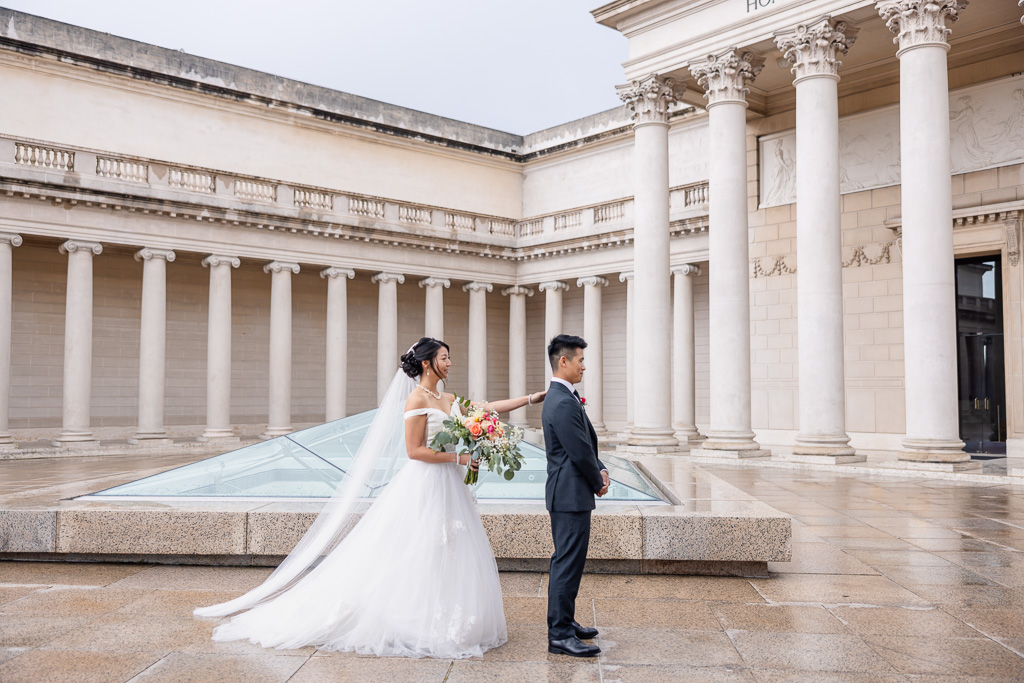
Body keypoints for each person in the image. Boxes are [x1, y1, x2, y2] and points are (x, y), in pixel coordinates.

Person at [194, 337, 545, 659]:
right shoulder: (417, 399)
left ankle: (445, 616)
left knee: (450, 549)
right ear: (426, 363)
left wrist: (530, 399)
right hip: (427, 482)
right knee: (418, 548)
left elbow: (486, 408)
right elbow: (414, 451)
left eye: (449, 357)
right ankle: (412, 618)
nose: (450, 363)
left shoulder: (448, 399)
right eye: (444, 357)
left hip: (450, 484)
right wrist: (460, 458)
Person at [541, 334, 608, 658]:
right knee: (566, 563)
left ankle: (565, 621)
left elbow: (585, 442)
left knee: (570, 562)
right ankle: (560, 634)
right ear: (563, 361)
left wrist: (602, 466)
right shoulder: (562, 400)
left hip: (570, 492)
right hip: (569, 493)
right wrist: (597, 480)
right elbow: (578, 450)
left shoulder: (564, 396)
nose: (584, 365)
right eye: (580, 359)